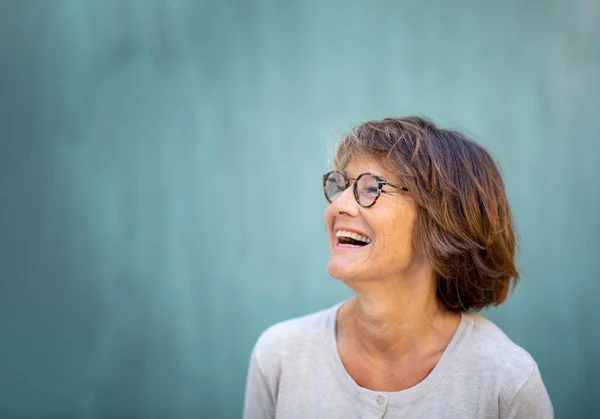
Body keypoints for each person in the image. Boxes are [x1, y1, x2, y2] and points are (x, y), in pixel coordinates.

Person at [243, 117, 553, 418]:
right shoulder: (280, 355)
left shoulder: (506, 382)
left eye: (369, 188)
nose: (338, 205)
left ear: (442, 224)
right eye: (340, 185)